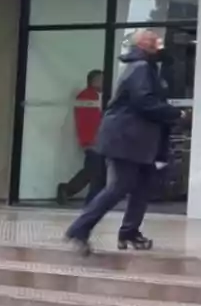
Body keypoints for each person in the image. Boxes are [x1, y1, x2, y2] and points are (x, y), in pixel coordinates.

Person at [65, 30, 182, 255]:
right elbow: (144, 101)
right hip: (125, 138)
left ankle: (129, 231)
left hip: (139, 140)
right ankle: (79, 229)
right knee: (119, 186)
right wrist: (176, 113)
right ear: (141, 45)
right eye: (152, 40)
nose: (158, 43)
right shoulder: (140, 68)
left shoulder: (147, 67)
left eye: (158, 40)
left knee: (142, 186)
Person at [56, 70, 106, 205]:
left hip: (92, 139)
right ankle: (72, 191)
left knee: (93, 169)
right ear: (94, 81)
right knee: (95, 170)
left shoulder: (89, 96)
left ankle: (69, 190)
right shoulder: (90, 97)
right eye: (101, 80)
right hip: (93, 139)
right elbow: (91, 121)